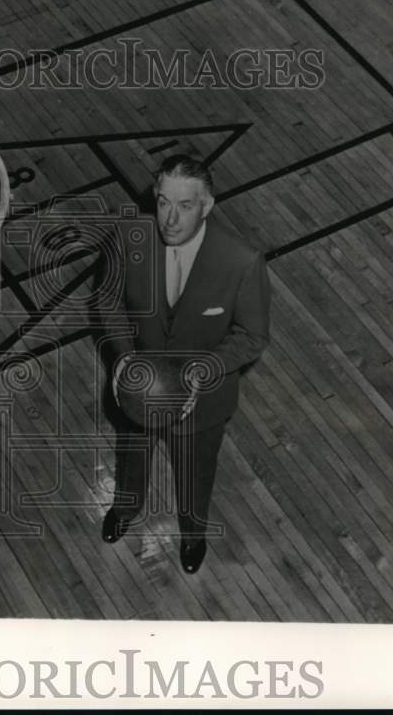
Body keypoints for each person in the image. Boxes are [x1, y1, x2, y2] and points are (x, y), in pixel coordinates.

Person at [100, 155, 271, 574]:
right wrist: (123, 360)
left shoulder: (241, 261)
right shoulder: (129, 239)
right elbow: (107, 300)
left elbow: (252, 336)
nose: (170, 219)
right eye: (163, 203)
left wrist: (203, 372)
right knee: (132, 455)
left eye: (185, 206)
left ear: (207, 206)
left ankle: (192, 534)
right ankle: (126, 508)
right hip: (138, 389)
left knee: (196, 477)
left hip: (203, 404)